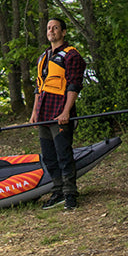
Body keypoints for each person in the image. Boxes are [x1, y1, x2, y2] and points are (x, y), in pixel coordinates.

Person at [30, 18, 87, 210]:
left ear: (63, 32)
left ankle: (70, 193)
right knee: (48, 156)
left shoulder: (72, 56)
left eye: (55, 28)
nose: (51, 31)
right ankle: (58, 191)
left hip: (60, 113)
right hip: (44, 113)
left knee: (63, 154)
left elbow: (74, 85)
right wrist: (34, 113)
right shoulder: (43, 57)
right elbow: (39, 87)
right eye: (48, 28)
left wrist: (66, 111)